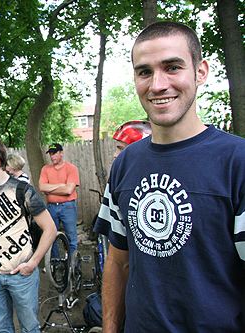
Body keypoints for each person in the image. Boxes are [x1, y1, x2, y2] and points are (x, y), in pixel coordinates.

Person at [94, 21, 245, 333]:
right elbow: (118, 262)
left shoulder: (238, 161)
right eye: (144, 72)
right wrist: (110, 328)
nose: (157, 84)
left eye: (173, 67)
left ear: (200, 72)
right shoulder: (125, 165)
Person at [0, 137, 57, 333]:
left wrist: (33, 263)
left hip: (22, 274)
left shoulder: (23, 190)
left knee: (30, 328)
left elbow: (50, 229)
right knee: (1, 329)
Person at [39, 143, 80, 255]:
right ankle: (54, 263)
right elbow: (42, 187)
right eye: (51, 154)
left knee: (71, 237)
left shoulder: (71, 169)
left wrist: (50, 189)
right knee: (51, 236)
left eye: (54, 154)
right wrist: (62, 185)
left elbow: (68, 190)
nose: (52, 157)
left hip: (68, 206)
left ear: (61, 153)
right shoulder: (46, 169)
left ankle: (72, 266)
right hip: (51, 206)